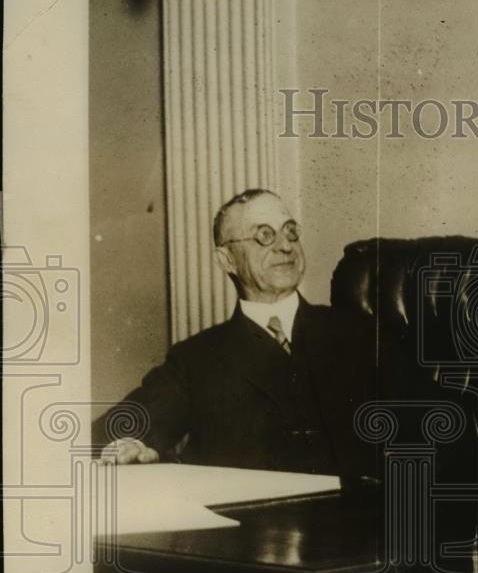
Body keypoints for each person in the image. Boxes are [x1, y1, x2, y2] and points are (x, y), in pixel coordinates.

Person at [97, 188, 377, 481]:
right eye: (264, 235)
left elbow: (425, 422)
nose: (285, 246)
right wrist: (132, 447)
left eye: (290, 231)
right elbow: (112, 433)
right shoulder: (195, 360)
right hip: (253, 522)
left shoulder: (362, 334)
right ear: (226, 259)